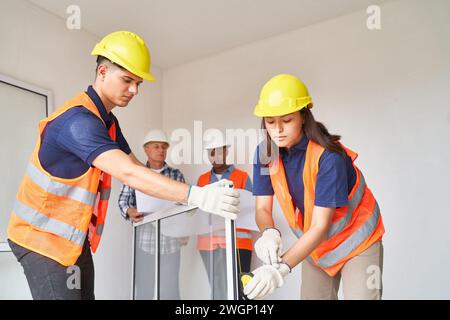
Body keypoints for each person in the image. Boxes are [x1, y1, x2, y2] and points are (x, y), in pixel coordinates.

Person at [6, 31, 239, 300]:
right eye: (127, 80)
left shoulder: (108, 123)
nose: (134, 90)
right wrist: (196, 195)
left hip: (71, 238)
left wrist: (201, 193)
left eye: (138, 83)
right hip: (40, 238)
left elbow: (137, 168)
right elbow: (128, 173)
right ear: (102, 72)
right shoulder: (77, 122)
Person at [244, 74, 385, 300]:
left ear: (302, 116)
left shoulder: (329, 157)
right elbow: (262, 209)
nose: (278, 129)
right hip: (316, 247)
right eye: (270, 122)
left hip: (358, 242)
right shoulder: (265, 154)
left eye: (287, 120)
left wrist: (279, 269)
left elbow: (321, 226)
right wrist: (268, 233)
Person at [118, 129, 188, 299]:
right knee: (144, 289)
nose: (161, 150)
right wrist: (130, 211)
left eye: (164, 147)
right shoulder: (137, 173)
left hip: (171, 242)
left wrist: (184, 231)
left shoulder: (175, 175)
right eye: (156, 146)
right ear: (146, 150)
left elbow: (185, 207)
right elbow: (123, 201)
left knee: (170, 290)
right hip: (145, 242)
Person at [196, 137, 254, 300]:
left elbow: (252, 208)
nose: (215, 156)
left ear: (226, 152)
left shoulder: (242, 177)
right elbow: (198, 212)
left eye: (218, 152)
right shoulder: (202, 180)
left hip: (238, 243)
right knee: (217, 290)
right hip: (209, 244)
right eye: (211, 153)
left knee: (241, 289)